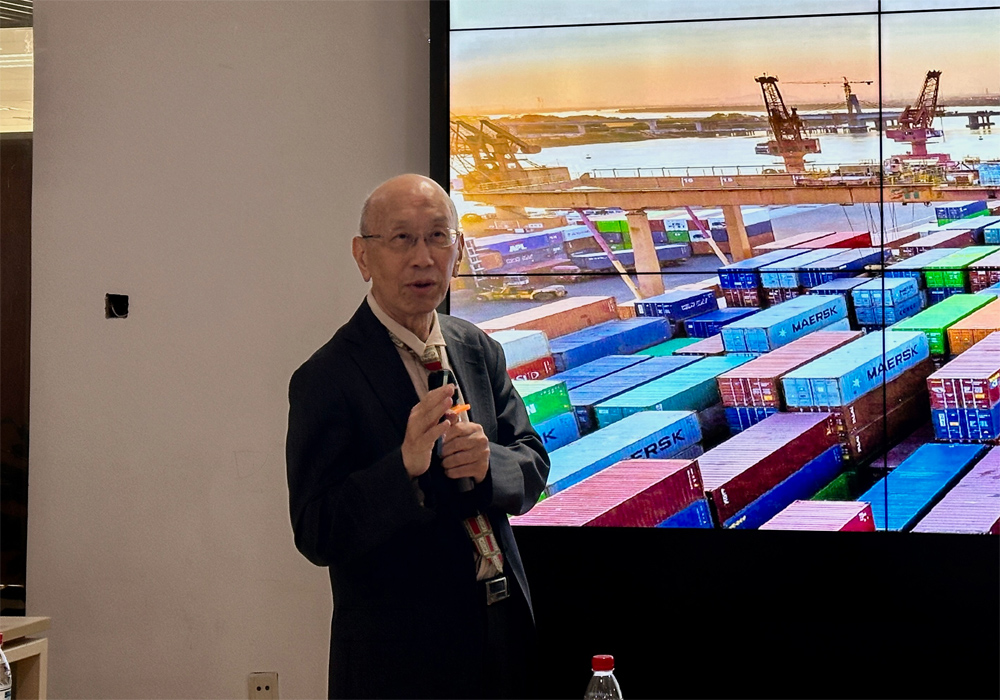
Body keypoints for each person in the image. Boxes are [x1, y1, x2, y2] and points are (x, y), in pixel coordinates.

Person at [285, 174, 550, 699]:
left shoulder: (477, 347)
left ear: (458, 250)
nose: (423, 258)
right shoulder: (326, 377)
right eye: (402, 238)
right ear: (363, 256)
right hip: (401, 659)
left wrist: (487, 464)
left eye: (437, 237)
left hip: (501, 632)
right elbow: (317, 532)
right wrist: (403, 466)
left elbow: (532, 463)